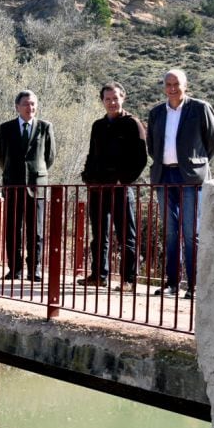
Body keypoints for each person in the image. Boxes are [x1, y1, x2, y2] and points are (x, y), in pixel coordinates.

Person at [146, 69, 214, 299]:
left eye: (176, 83)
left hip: (190, 179)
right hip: (164, 177)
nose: (172, 88)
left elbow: (212, 144)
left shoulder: (199, 108)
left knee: (191, 233)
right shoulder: (157, 112)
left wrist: (195, 165)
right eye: (168, 83)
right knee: (169, 233)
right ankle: (172, 284)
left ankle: (194, 285)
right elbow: (152, 146)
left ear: (185, 85)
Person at [78, 82, 147, 291]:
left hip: (121, 189)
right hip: (98, 188)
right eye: (107, 99)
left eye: (115, 98)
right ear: (102, 101)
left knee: (127, 234)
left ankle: (128, 280)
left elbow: (141, 158)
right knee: (99, 234)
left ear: (123, 97)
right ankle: (98, 275)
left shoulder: (132, 123)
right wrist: (87, 178)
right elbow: (91, 154)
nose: (112, 102)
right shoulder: (97, 126)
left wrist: (123, 181)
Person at [0, 91, 56, 281]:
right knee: (13, 230)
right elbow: (0, 155)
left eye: (33, 104)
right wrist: (12, 173)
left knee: (36, 231)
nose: (30, 108)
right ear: (17, 107)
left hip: (36, 186)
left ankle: (34, 269)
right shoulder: (6, 128)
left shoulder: (45, 127)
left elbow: (50, 156)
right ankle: (15, 268)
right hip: (13, 185)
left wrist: (36, 173)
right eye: (26, 104)